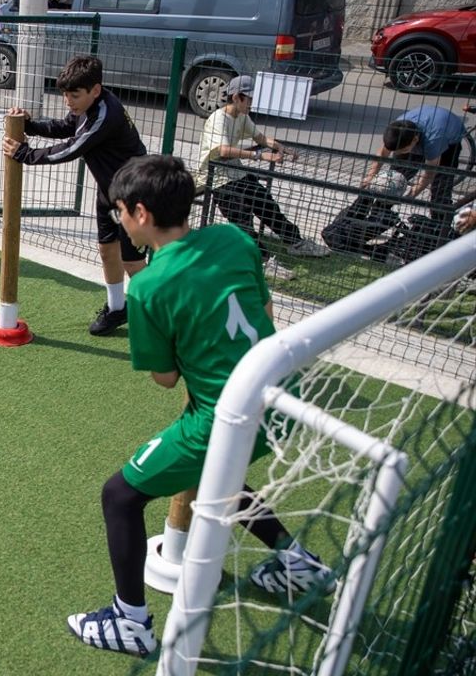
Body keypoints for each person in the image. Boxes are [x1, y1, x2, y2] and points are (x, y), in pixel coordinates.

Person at [67, 154, 331, 657]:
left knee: (119, 496)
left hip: (226, 415)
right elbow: (266, 312)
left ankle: (130, 620)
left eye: (119, 211)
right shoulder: (234, 238)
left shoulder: (148, 286)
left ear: (140, 213)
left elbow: (166, 379)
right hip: (280, 396)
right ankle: (296, 562)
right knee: (220, 478)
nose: (118, 219)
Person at [2, 55, 146, 336]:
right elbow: (66, 127)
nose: (68, 101)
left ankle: (165, 318)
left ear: (95, 89)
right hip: (109, 191)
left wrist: (25, 154)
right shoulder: (86, 105)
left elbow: (72, 148)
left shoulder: (106, 113)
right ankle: (117, 309)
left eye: (74, 95)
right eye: (65, 95)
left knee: (133, 262)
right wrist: (31, 126)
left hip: (135, 193)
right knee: (107, 250)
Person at [193, 75, 330, 282]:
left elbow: (260, 138)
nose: (251, 103)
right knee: (241, 219)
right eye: (248, 98)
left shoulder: (242, 116)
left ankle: (296, 243)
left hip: (236, 171)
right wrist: (260, 155)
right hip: (216, 175)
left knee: (265, 202)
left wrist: (281, 147)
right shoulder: (219, 118)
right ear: (237, 97)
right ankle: (263, 261)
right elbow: (224, 149)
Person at [361, 104, 467, 222]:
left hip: (448, 139)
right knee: (391, 182)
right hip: (422, 126)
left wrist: (411, 195)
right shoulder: (397, 129)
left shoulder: (433, 140)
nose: (399, 153)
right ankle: (375, 219)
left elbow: (429, 174)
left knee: (440, 189)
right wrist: (370, 177)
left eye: (403, 150)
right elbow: (382, 154)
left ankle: (440, 228)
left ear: (415, 140)